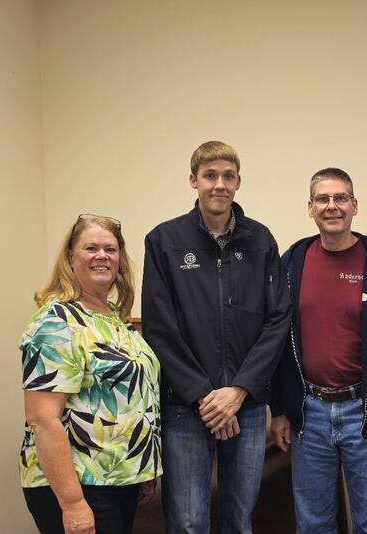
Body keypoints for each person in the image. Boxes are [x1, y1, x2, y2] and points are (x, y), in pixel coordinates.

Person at [141, 141, 291, 533]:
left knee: (239, 519)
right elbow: (159, 327)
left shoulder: (261, 240)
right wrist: (206, 396)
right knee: (188, 522)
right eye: (210, 176)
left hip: (248, 406)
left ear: (239, 182)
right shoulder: (164, 241)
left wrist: (238, 391)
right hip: (187, 407)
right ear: (194, 181)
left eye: (228, 176)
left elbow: (277, 321)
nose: (219, 184)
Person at [270, 167, 367, 533]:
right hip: (309, 415)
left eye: (340, 199)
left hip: (364, 416)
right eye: (323, 199)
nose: (331, 206)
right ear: (310, 208)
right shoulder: (293, 262)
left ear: (354, 206)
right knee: (314, 524)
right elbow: (276, 341)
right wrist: (281, 410)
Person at [20, 214, 161, 534]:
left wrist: (141, 468)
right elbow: (43, 419)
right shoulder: (57, 322)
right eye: (91, 248)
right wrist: (72, 504)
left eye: (110, 250)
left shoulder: (113, 318)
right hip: (78, 485)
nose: (102, 256)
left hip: (115, 480)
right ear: (70, 258)